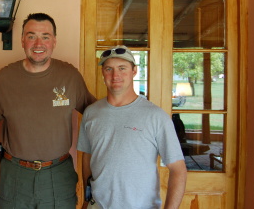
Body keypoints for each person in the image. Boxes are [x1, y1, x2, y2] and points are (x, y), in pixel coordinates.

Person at [0, 13, 96, 208]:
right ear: (22, 40)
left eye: (45, 37)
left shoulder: (69, 76)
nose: (38, 43)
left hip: (58, 175)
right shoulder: (5, 78)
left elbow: (97, 114)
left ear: (54, 41)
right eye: (31, 36)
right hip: (15, 175)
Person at [77, 45, 187, 209]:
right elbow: (87, 156)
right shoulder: (91, 113)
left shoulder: (155, 116)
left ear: (134, 71)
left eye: (122, 68)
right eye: (109, 69)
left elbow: (178, 170)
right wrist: (87, 199)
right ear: (103, 73)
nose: (115, 75)